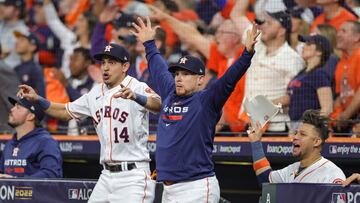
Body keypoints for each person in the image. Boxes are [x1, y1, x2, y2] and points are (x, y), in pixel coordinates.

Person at [131, 17, 259, 202]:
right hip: (168, 190)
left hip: (196, 187)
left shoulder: (206, 100)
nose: (179, 78)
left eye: (186, 74)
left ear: (200, 80)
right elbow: (159, 67)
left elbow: (229, 79)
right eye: (177, 74)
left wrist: (247, 54)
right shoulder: (170, 94)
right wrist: (149, 43)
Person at [17, 43, 161, 202]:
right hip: (106, 175)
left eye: (111, 63)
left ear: (125, 66)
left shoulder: (137, 86)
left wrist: (137, 97)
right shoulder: (95, 93)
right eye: (103, 63)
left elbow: (158, 104)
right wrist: (38, 99)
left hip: (133, 176)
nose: (105, 68)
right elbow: (65, 112)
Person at [249, 109, 345, 184]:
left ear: (316, 142)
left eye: (302, 134)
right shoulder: (291, 169)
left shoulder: (332, 174)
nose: (295, 137)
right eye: (296, 133)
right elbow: (266, 180)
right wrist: (256, 142)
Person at [273, 34, 333, 131]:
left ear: (319, 51)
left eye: (309, 44)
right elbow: (290, 98)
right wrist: (266, 104)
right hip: (294, 124)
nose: (304, 46)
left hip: (308, 126)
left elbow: (327, 108)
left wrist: (310, 127)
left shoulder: (319, 74)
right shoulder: (301, 74)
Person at [0, 97, 62, 178]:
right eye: (14, 106)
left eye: (18, 107)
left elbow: (51, 174)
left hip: (35, 191)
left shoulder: (46, 142)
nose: (12, 109)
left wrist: (16, 181)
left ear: (30, 116)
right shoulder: (10, 144)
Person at [13, 30, 46, 98]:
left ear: (32, 47)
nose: (17, 42)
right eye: (17, 40)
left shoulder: (36, 69)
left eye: (22, 40)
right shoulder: (16, 68)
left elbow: (41, 97)